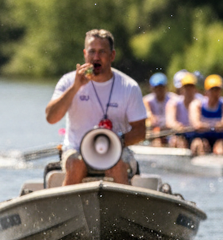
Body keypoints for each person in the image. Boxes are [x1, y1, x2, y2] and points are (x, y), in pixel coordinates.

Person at [45, 29, 147, 185]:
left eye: (102, 52)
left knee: (117, 167)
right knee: (76, 165)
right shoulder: (68, 81)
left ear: (112, 55)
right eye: (92, 51)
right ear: (85, 54)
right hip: (77, 148)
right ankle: (67, 208)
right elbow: (51, 118)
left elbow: (140, 131)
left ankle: (125, 208)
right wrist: (75, 87)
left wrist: (116, 141)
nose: (96, 57)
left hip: (116, 149)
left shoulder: (129, 86)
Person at [190, 75, 223, 156]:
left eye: (218, 89)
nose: (215, 93)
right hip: (201, 138)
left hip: (219, 139)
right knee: (199, 145)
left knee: (220, 149)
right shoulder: (197, 105)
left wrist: (208, 125)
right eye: (212, 90)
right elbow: (196, 124)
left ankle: (219, 161)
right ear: (206, 92)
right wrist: (214, 125)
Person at [165, 73, 199, 149]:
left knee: (199, 143)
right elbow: (169, 122)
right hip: (180, 134)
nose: (188, 90)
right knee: (177, 141)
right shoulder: (173, 103)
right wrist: (177, 126)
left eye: (191, 87)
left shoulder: (201, 101)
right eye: (186, 87)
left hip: (197, 134)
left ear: (195, 88)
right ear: (182, 89)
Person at [143, 72, 175, 147]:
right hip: (154, 130)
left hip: (170, 130)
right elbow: (149, 116)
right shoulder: (147, 100)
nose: (159, 90)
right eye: (156, 88)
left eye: (161, 87)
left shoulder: (173, 99)